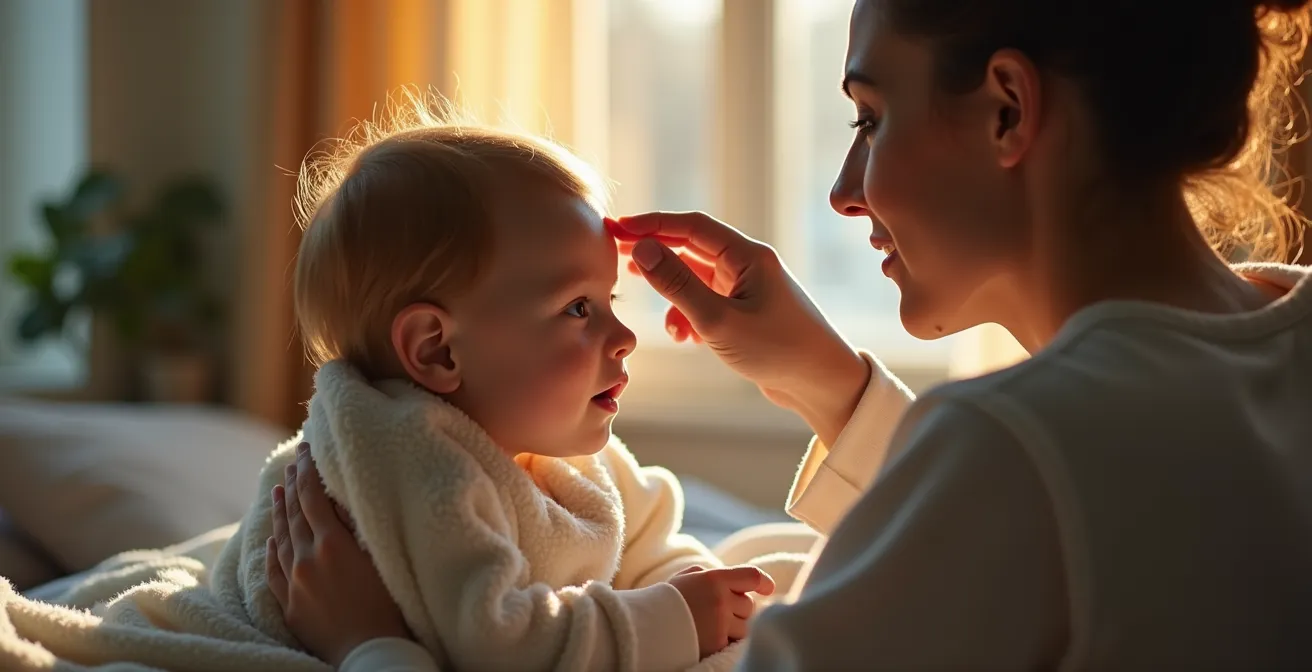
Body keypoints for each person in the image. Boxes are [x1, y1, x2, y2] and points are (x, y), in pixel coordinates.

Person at [268, 0, 1312, 668]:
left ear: (1006, 109)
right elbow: (1065, 519)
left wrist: (369, 648)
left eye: (868, 116)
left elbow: (1027, 492)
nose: (843, 192)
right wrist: (829, 382)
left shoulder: (1008, 449)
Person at [258, 100, 777, 672]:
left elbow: (646, 539)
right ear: (437, 348)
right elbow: (503, 647)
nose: (625, 336)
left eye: (611, 301)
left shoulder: (554, 448)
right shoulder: (415, 465)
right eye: (579, 308)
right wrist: (673, 618)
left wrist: (685, 580)